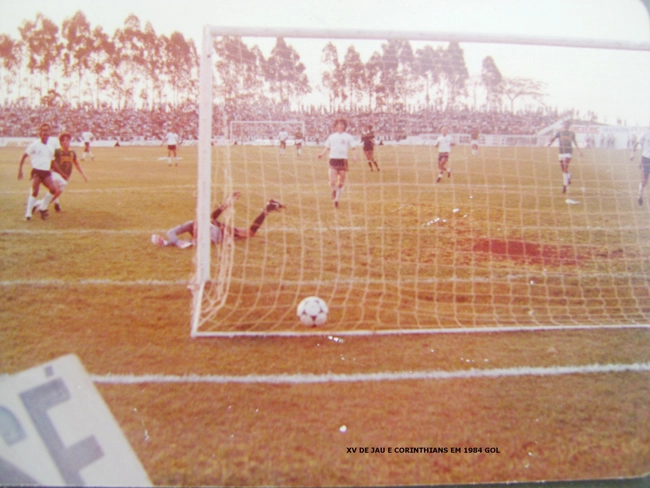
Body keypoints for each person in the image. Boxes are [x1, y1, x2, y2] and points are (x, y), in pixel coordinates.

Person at [151, 192, 286, 248]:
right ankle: (228, 204)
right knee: (210, 220)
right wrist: (171, 242)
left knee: (249, 233)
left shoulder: (204, 235)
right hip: (215, 229)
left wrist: (171, 243)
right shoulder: (191, 225)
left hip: (219, 231)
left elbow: (205, 241)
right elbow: (171, 232)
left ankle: (268, 208)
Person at [17, 123, 62, 220]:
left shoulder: (50, 147)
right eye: (43, 133)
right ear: (40, 134)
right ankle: (28, 214)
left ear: (49, 135)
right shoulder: (35, 145)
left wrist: (60, 172)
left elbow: (53, 161)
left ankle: (42, 207)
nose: (45, 135)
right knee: (35, 191)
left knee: (53, 189)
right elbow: (24, 156)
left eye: (46, 133)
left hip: (46, 172)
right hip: (37, 171)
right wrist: (20, 170)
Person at [34, 131, 88, 212]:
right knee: (56, 190)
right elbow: (50, 159)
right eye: (64, 140)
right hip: (56, 174)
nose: (66, 142)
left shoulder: (72, 152)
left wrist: (83, 175)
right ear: (61, 142)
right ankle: (42, 207)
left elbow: (76, 164)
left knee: (55, 195)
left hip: (66, 177)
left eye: (68, 140)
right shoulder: (57, 151)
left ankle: (37, 204)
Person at [317, 118, 358, 208]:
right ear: (335, 126)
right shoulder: (332, 137)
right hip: (333, 159)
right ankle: (334, 190)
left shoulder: (348, 137)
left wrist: (354, 156)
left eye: (342, 124)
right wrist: (322, 154)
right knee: (332, 181)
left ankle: (337, 200)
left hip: (343, 160)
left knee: (341, 183)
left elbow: (354, 148)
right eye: (338, 124)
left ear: (345, 126)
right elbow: (327, 148)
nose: (340, 126)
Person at [548, 120, 582, 194]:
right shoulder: (559, 133)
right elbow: (553, 139)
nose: (565, 126)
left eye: (566, 125)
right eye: (564, 125)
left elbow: (575, 142)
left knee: (565, 166)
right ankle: (569, 176)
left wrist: (579, 151)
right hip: (561, 152)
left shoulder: (571, 134)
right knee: (563, 169)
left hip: (568, 152)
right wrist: (549, 144)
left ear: (568, 126)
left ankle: (564, 186)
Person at [630, 126, 650, 206]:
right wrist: (632, 154)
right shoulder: (645, 134)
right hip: (645, 159)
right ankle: (640, 196)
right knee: (644, 181)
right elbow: (635, 144)